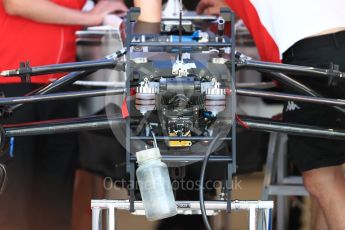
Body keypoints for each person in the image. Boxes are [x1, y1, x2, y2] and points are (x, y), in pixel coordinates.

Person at [197, 0, 345, 229]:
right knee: (328, 173)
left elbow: (211, 14)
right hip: (327, 46)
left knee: (321, 179)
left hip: (316, 52)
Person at [0, 0, 127, 229]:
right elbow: (16, 4)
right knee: (13, 195)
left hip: (63, 84)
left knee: (54, 196)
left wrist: (109, 9)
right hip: (13, 83)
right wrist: (92, 17)